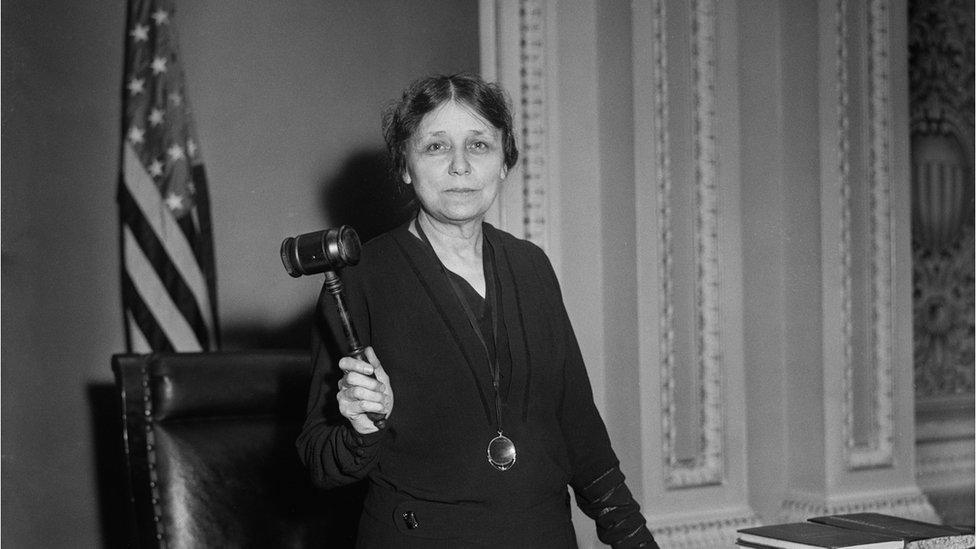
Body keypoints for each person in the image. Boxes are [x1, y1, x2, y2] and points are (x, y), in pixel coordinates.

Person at [297, 73, 658, 548]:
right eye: (436, 147)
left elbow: (579, 430)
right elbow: (320, 459)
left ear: (505, 162)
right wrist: (362, 425)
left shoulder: (532, 266)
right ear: (405, 165)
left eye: (480, 145)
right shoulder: (359, 280)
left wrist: (636, 541)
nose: (460, 166)